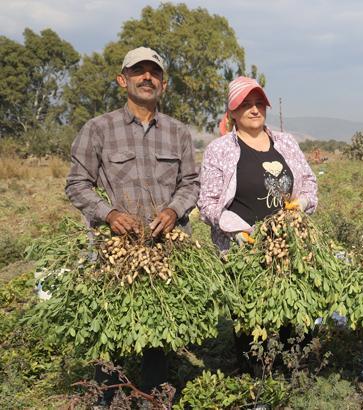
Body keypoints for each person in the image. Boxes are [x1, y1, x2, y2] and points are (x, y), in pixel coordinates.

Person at [65, 47, 199, 395]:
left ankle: (155, 394)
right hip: (116, 251)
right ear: (122, 80)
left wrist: (173, 211)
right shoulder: (98, 129)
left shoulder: (178, 132)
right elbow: (77, 184)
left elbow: (191, 183)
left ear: (164, 85)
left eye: (154, 72)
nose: (147, 77)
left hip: (162, 249)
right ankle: (107, 394)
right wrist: (108, 214)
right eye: (138, 71)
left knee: (156, 326)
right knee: (109, 323)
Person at [197, 76, 317, 371]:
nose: (254, 110)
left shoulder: (286, 142)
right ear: (232, 112)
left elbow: (310, 183)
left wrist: (301, 204)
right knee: (252, 324)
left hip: (289, 247)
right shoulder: (220, 150)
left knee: (293, 317)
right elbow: (208, 202)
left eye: (258, 103)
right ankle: (256, 386)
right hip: (245, 253)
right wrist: (236, 230)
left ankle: (292, 381)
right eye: (245, 105)